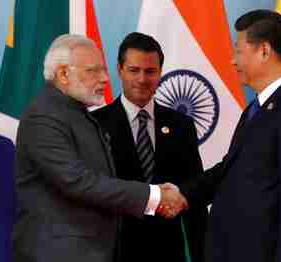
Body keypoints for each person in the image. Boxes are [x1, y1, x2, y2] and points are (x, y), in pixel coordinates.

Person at [12, 34, 187, 262]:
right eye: (93, 71)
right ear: (64, 74)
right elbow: (77, 181)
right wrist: (154, 195)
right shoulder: (44, 116)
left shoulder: (75, 113)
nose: (105, 78)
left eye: (103, 70)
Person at [177, 10, 281, 262]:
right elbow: (231, 168)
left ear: (264, 51)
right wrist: (182, 194)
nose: (233, 61)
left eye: (238, 51)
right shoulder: (258, 107)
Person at [92, 32, 208, 262]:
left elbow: (194, 193)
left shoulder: (181, 125)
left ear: (160, 73)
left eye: (150, 71)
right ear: (120, 69)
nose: (142, 79)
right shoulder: (95, 124)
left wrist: (201, 253)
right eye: (134, 70)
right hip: (112, 251)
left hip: (167, 251)